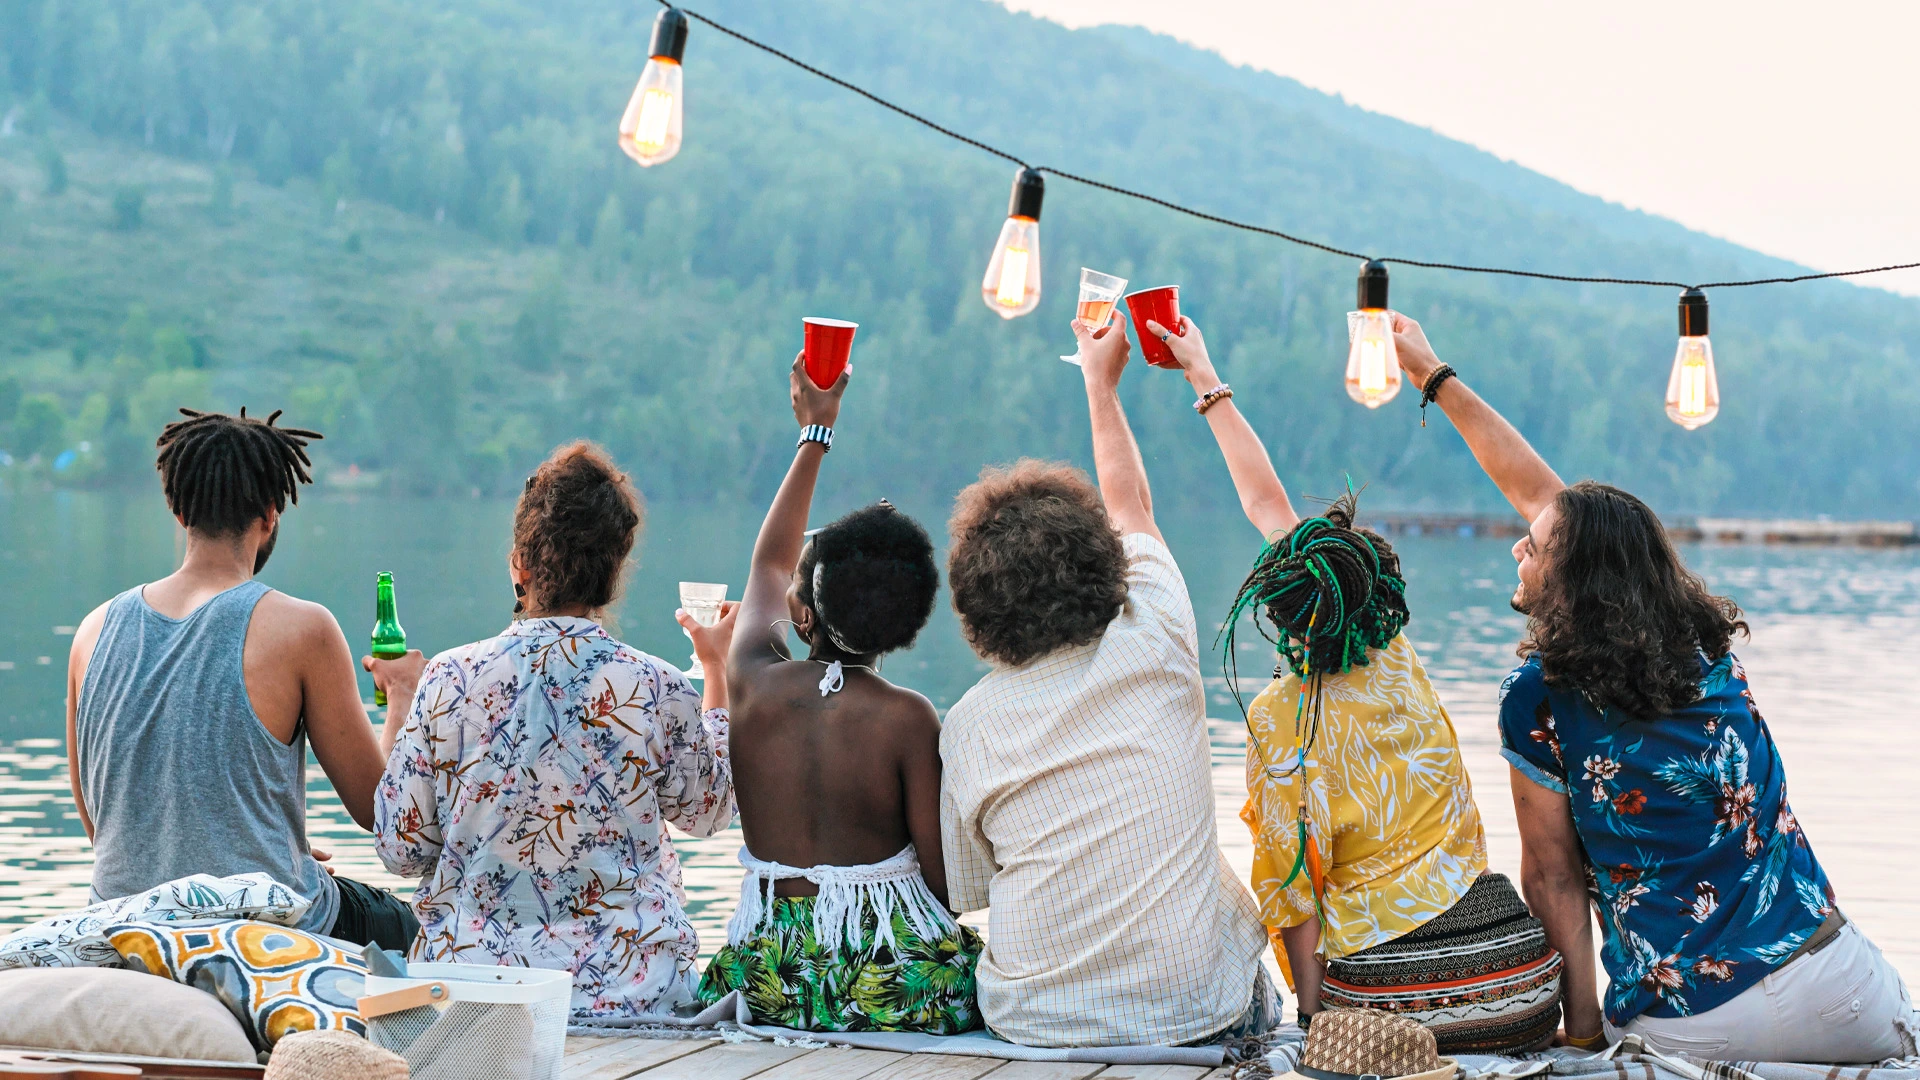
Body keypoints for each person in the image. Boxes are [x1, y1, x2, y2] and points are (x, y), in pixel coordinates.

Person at [1396, 313, 1919, 1060]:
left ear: (1572, 584)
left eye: (1534, 547)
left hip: (1690, 1020)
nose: (1520, 541)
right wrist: (1434, 378)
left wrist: (1580, 1033)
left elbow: (1551, 878)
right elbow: (1557, 510)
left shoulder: (1538, 697)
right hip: (1833, 988)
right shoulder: (1704, 644)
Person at [1145, 315, 1564, 1052]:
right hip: (1523, 988)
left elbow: (1290, 890)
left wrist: (1314, 1023)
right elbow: (1274, 513)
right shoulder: (1395, 654)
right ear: (1372, 596)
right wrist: (1205, 379)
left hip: (1399, 1011)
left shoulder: (1280, 719)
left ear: (1281, 613)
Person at [939, 313, 1274, 1050]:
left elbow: (969, 891)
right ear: (1105, 566)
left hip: (1032, 1024)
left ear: (975, 603)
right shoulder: (1155, 634)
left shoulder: (967, 723)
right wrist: (1102, 385)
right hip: (1196, 1016)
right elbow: (1132, 508)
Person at [373, 441, 736, 1018]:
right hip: (629, 996)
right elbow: (709, 812)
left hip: (475, 994)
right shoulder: (658, 685)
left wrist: (405, 708)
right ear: (616, 568)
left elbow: (401, 849)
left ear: (519, 562)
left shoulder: (448, 679)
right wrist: (716, 670)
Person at [695, 356, 983, 1033]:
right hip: (887, 979)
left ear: (803, 618)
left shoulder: (755, 683)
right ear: (904, 625)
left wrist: (815, 433)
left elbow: (767, 562)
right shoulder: (908, 717)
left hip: (770, 976)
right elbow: (942, 890)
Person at [65, 407, 421, 951]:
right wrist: (401, 694)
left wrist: (267, 841)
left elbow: (103, 823)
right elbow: (382, 810)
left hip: (121, 922)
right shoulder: (304, 628)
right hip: (262, 926)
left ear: (178, 510)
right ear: (271, 514)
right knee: (417, 927)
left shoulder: (92, 630)